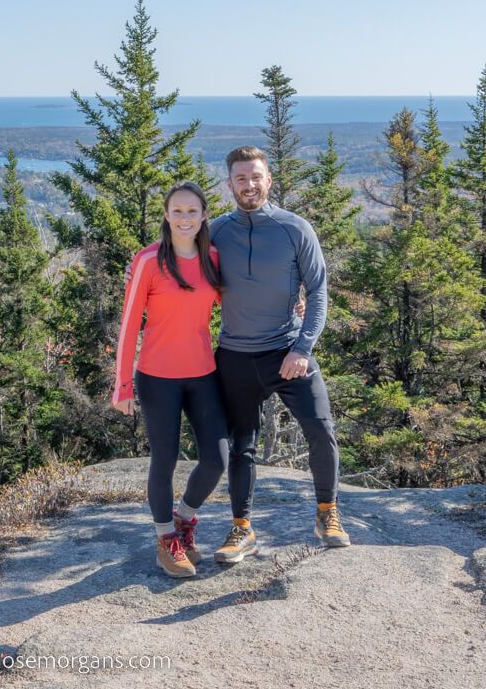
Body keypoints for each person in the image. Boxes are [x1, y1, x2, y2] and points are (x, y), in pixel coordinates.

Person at [209, 145, 350, 565]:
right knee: (241, 446)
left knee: (321, 429)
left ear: (269, 179)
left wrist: (302, 349)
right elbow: (175, 261)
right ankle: (242, 529)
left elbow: (319, 290)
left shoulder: (295, 228)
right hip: (234, 355)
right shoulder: (215, 231)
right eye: (240, 178)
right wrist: (137, 268)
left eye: (256, 176)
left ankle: (327, 514)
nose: (249, 185)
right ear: (230, 183)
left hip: (289, 352)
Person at [112, 182, 230, 578]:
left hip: (203, 375)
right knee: (165, 459)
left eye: (192, 211)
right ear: (166, 215)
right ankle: (166, 540)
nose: (184, 218)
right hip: (157, 377)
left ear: (203, 216)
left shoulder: (212, 257)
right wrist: (122, 385)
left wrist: (293, 300)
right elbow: (129, 325)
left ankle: (184, 521)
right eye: (176, 211)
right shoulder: (148, 260)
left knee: (216, 459)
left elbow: (239, 302)